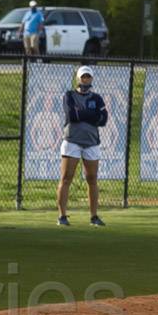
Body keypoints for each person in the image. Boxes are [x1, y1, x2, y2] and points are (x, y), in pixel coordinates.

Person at [57, 66, 108, 227]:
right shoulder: (69, 95)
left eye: (88, 77)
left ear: (91, 79)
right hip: (72, 140)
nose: (86, 79)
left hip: (91, 142)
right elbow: (72, 115)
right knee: (66, 178)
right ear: (78, 78)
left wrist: (83, 113)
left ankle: (94, 217)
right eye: (83, 77)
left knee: (92, 179)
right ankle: (62, 216)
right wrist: (92, 116)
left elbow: (104, 120)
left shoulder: (97, 98)